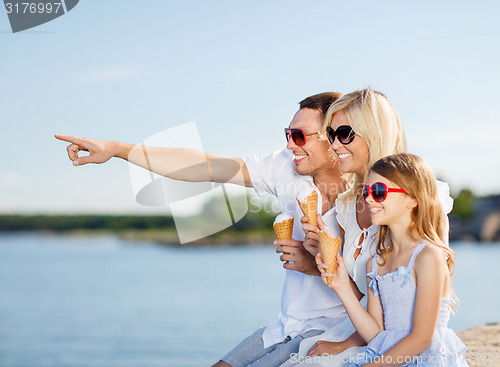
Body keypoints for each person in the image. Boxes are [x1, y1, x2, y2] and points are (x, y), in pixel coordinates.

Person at [55, 92, 351, 367]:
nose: (289, 145)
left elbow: (380, 286)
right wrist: (117, 149)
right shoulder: (284, 165)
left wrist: (315, 266)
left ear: (332, 138)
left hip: (334, 331)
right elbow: (205, 166)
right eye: (287, 135)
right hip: (285, 326)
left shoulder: (368, 194)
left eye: (299, 136)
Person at [282, 88, 453, 366]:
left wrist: (346, 345)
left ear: (373, 132)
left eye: (344, 134)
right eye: (331, 135)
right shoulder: (348, 206)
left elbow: (420, 324)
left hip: (386, 347)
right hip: (368, 334)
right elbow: (366, 297)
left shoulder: (423, 198)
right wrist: (321, 260)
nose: (334, 145)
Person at [319, 153, 468, 366]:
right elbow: (377, 335)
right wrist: (341, 287)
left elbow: (421, 339)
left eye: (378, 192)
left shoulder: (427, 257)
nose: (369, 198)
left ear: (412, 199)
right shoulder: (376, 264)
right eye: (366, 191)